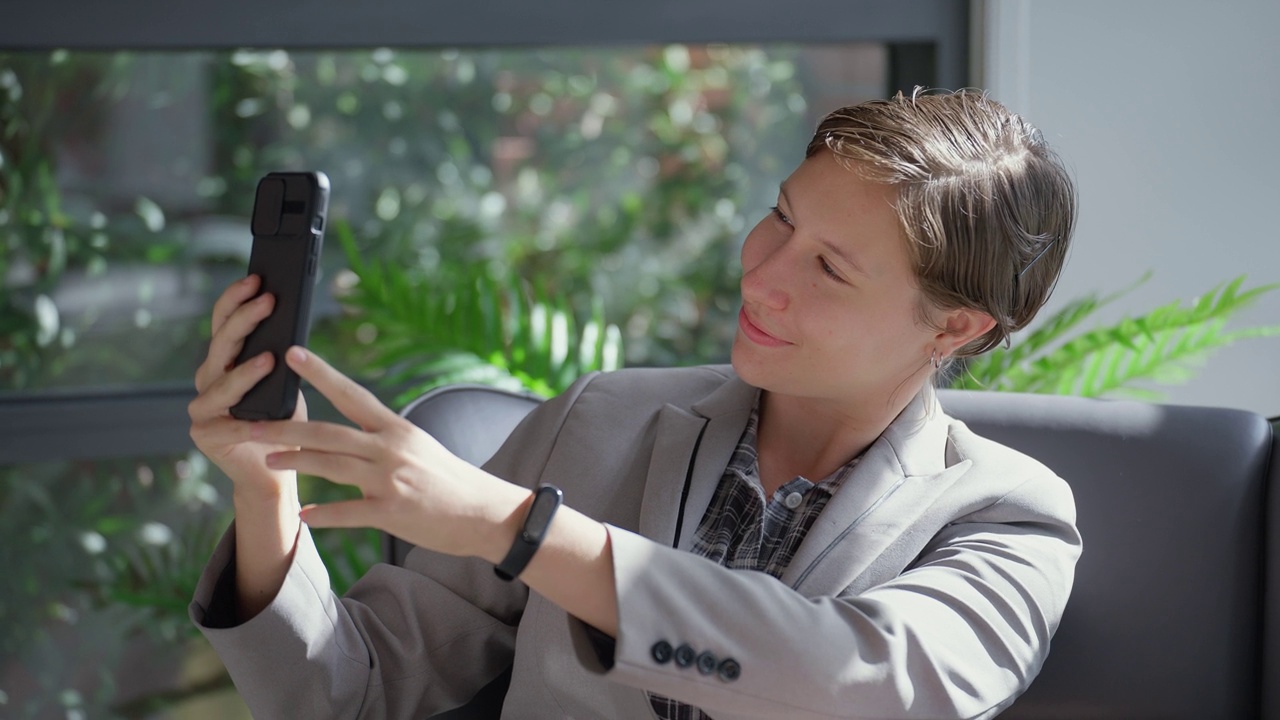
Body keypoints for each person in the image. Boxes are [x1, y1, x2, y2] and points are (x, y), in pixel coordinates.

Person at [188, 88, 1081, 719]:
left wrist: (521, 530)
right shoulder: (600, 420)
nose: (761, 274)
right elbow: (353, 694)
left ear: (955, 327)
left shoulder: (1007, 518)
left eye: (829, 267)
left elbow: (860, 685)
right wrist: (265, 488)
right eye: (780, 218)